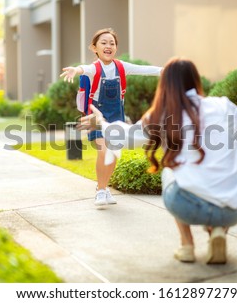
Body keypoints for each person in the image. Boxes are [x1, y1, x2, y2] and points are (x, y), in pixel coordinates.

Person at [77, 57, 237, 264]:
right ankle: (218, 232)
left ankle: (187, 245)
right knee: (218, 181)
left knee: (170, 169)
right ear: (195, 80)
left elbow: (127, 136)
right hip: (232, 211)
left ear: (165, 83)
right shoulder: (223, 106)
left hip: (187, 206)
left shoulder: (163, 114)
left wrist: (101, 122)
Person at [60, 28, 162, 207]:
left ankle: (104, 187)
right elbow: (83, 69)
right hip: (96, 116)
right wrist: (75, 70)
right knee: (104, 151)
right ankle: (100, 191)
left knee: (113, 154)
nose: (108, 46)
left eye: (112, 43)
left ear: (116, 48)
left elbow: (145, 70)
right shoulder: (94, 69)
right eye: (104, 43)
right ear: (94, 48)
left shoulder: (122, 67)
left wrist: (167, 70)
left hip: (116, 116)